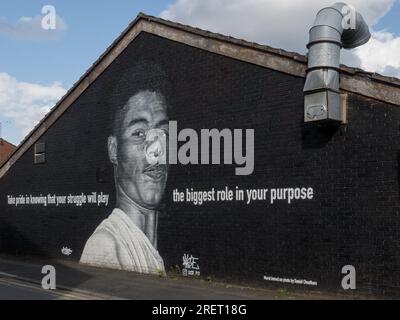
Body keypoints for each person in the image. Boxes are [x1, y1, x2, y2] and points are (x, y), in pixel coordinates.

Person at [80, 90, 169, 275]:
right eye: (139, 133)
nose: (156, 150)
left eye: (163, 132)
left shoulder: (151, 252)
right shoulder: (106, 245)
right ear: (113, 149)